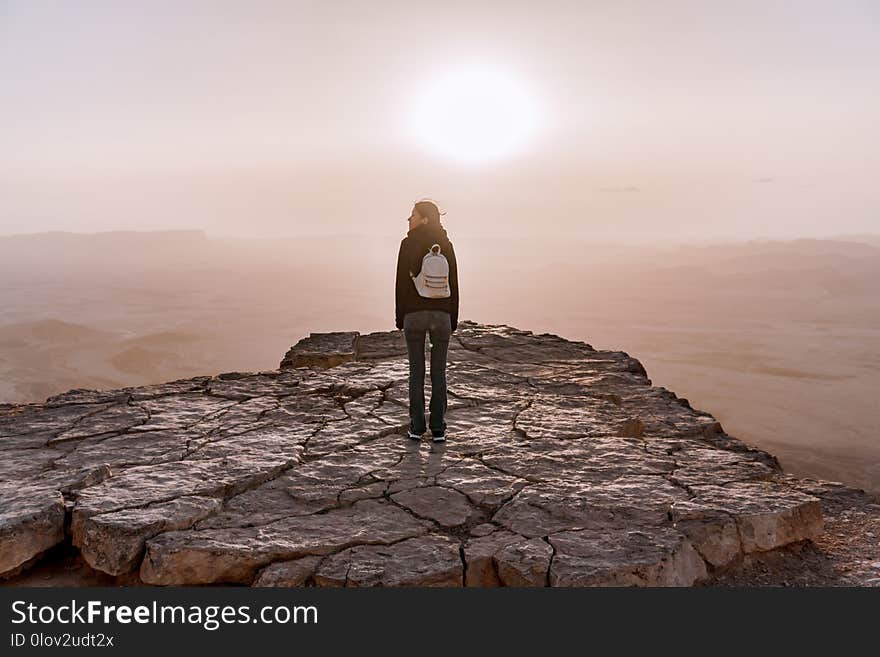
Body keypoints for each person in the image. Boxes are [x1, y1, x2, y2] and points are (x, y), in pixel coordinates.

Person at [395, 200, 459, 442]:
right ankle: (439, 428)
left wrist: (400, 317)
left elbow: (401, 283)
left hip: (414, 316)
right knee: (439, 372)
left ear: (424, 219)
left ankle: (417, 427)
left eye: (412, 215)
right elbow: (454, 284)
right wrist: (452, 317)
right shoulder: (446, 245)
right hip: (441, 315)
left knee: (416, 372)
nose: (408, 219)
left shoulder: (407, 244)